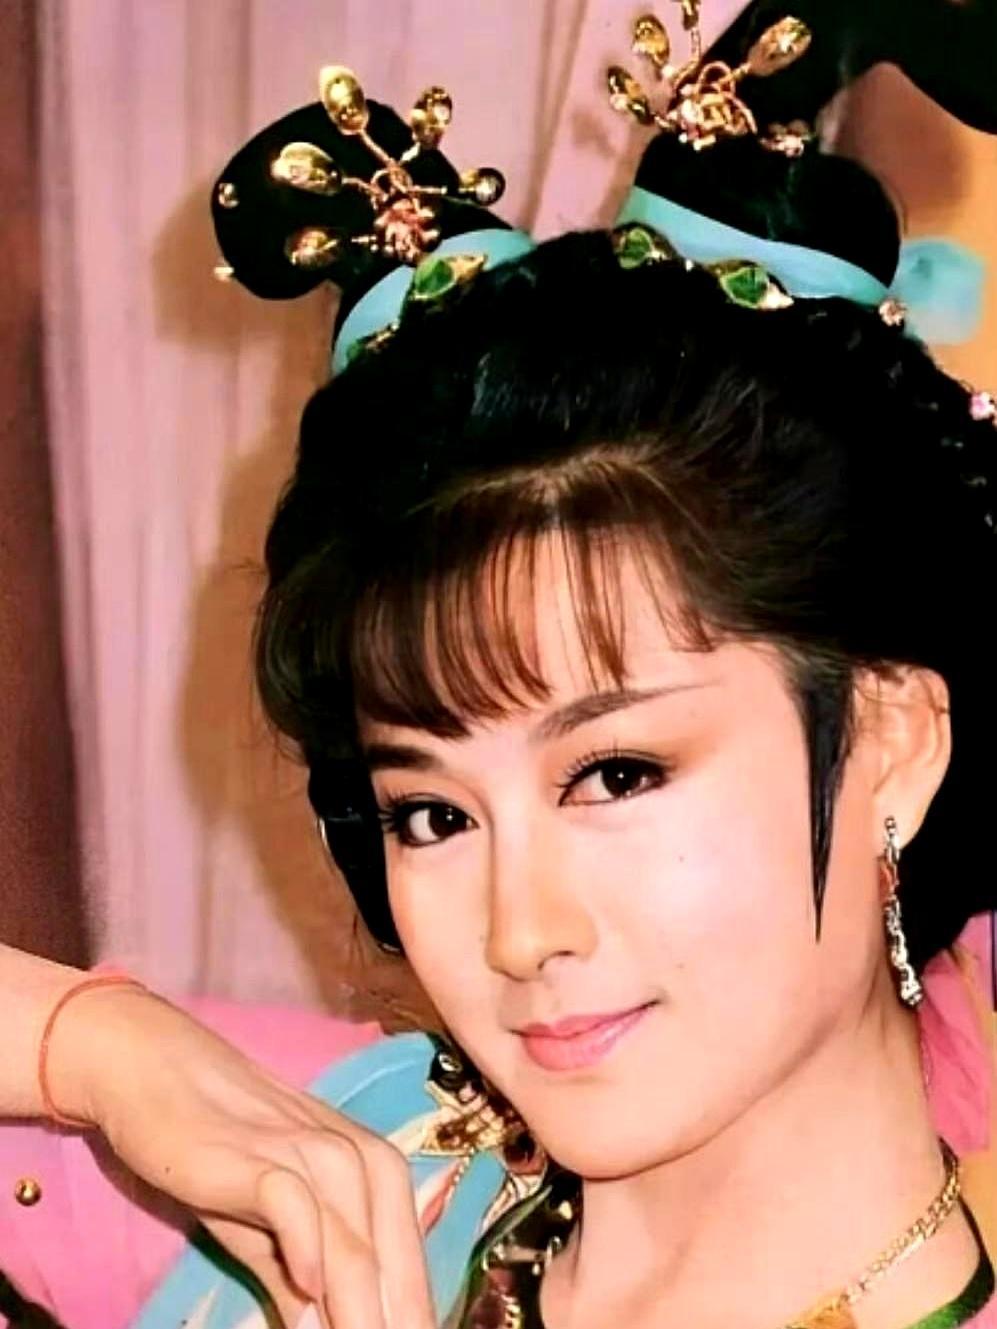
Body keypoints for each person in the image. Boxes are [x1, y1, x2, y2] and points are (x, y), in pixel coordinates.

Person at [2, 2, 996, 1327]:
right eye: (431, 812)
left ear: (892, 744)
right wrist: (96, 1049)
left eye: (615, 773)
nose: (519, 931)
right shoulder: (323, 1179)